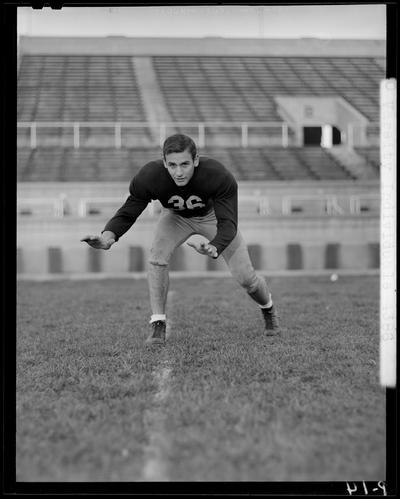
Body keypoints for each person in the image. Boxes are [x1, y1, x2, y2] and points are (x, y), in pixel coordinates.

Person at [81, 134, 281, 345]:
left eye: (185, 164)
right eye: (172, 165)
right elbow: (129, 210)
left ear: (195, 160)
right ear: (164, 162)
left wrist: (215, 246)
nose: (178, 172)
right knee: (157, 258)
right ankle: (157, 322)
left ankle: (268, 308)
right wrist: (107, 237)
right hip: (174, 217)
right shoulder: (151, 175)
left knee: (246, 279)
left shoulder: (218, 175)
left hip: (212, 218)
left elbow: (228, 223)